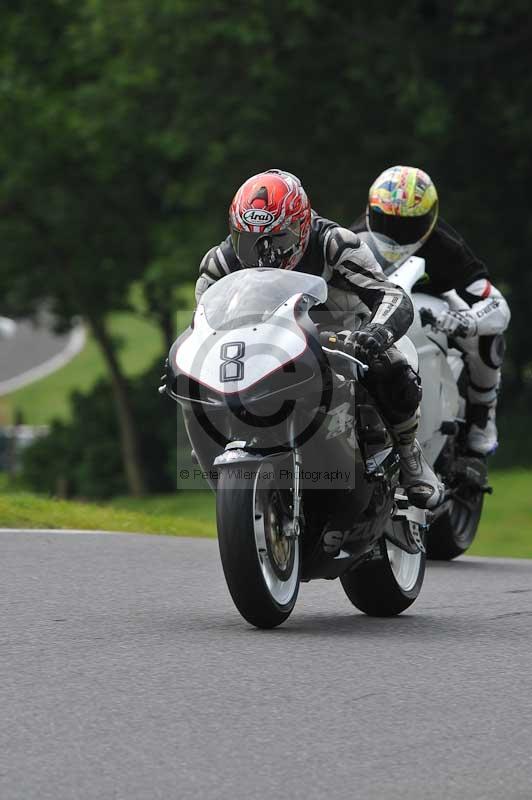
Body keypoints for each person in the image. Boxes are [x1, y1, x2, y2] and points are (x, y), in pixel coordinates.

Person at [195, 168, 443, 510]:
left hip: (342, 334)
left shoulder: (335, 243)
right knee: (194, 382)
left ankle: (409, 453)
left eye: (277, 240)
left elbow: (391, 296)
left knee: (393, 365)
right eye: (248, 240)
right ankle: (215, 452)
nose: (263, 254)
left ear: (301, 226)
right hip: (266, 344)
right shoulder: (221, 261)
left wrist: (374, 334)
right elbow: (204, 320)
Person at [350, 165, 511, 456]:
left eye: (407, 225)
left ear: (429, 218)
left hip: (438, 310)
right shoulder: (353, 240)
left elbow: (498, 304)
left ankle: (483, 415)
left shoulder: (446, 245)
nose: (397, 235)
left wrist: (470, 322)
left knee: (489, 338)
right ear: (371, 212)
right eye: (387, 222)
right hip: (378, 312)